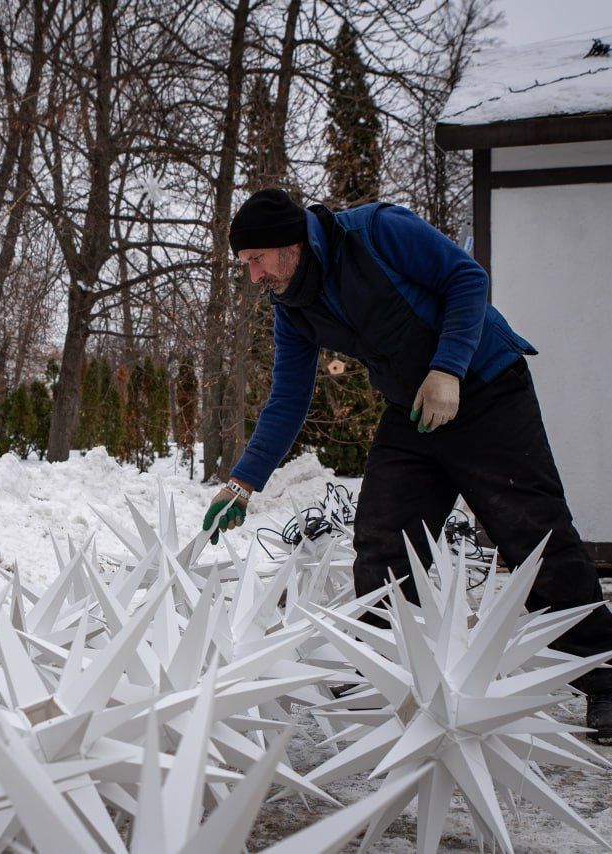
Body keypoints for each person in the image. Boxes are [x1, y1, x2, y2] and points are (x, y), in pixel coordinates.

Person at [201, 188, 612, 741]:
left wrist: (448, 366)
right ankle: (384, 666)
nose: (253, 276)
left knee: (532, 537)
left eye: (256, 260)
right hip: (414, 409)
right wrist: (243, 483)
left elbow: (466, 279)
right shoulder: (292, 307)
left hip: (487, 387)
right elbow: (288, 397)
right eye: (246, 265)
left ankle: (605, 676)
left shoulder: (375, 232)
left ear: (291, 244)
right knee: (383, 534)